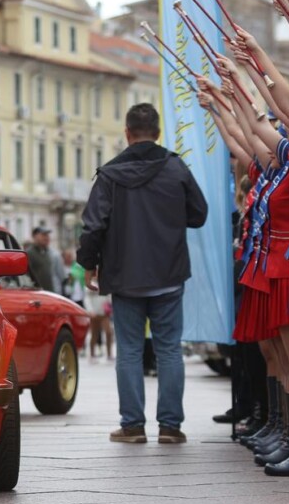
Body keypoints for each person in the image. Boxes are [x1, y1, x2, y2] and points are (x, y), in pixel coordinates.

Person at [77, 103, 208, 445]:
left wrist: (88, 264)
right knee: (169, 351)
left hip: (125, 276)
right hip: (168, 273)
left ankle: (133, 426)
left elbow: (93, 226)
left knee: (130, 352)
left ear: (127, 133)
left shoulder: (109, 175)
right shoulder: (176, 167)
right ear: (159, 133)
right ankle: (170, 427)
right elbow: (199, 214)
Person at [24, 226, 57, 294]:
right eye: (43, 235)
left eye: (47, 235)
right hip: (37, 294)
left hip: (49, 292)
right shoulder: (29, 253)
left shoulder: (47, 252)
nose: (47, 238)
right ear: (35, 236)